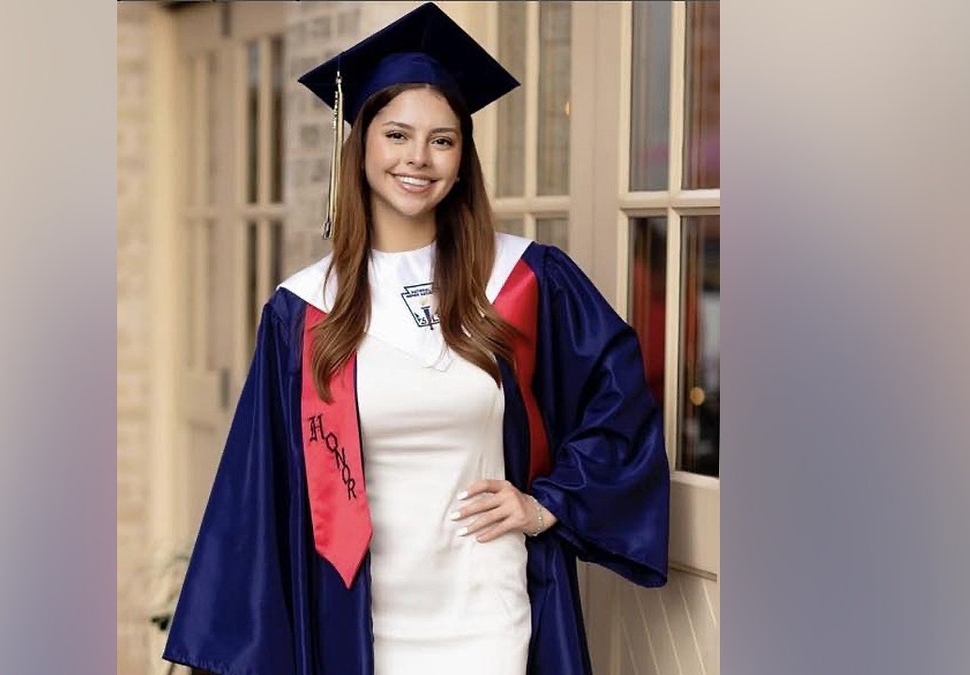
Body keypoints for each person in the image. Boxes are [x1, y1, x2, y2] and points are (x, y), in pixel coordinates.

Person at [163, 4, 669, 674]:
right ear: (363, 143)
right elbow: (259, 495)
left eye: (442, 139)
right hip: (358, 620)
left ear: (463, 159)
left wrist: (549, 503)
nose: (418, 159)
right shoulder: (305, 310)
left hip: (489, 611)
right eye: (397, 134)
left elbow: (621, 399)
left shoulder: (522, 280)